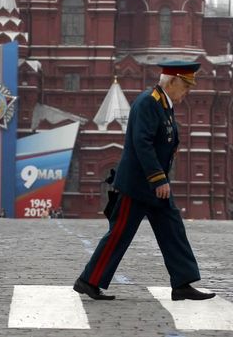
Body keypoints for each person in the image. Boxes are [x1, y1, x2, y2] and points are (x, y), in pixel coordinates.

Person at [74, 61, 215, 302]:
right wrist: (158, 179)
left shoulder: (164, 104)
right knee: (119, 233)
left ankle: (182, 284)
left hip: (154, 185)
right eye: (185, 86)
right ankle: (88, 281)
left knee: (173, 229)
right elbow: (143, 143)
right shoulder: (148, 102)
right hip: (138, 185)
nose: (187, 92)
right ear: (171, 82)